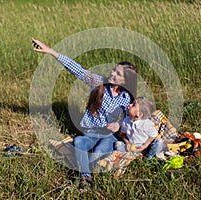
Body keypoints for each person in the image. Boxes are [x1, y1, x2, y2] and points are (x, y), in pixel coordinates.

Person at [32, 38, 137, 188]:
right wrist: (51, 52)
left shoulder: (127, 98)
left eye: (117, 73)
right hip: (90, 132)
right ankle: (86, 177)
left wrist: (118, 124)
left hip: (109, 136)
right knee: (78, 141)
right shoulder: (99, 83)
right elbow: (78, 70)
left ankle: (83, 170)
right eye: (114, 69)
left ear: (125, 80)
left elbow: (130, 120)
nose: (112, 72)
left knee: (100, 149)